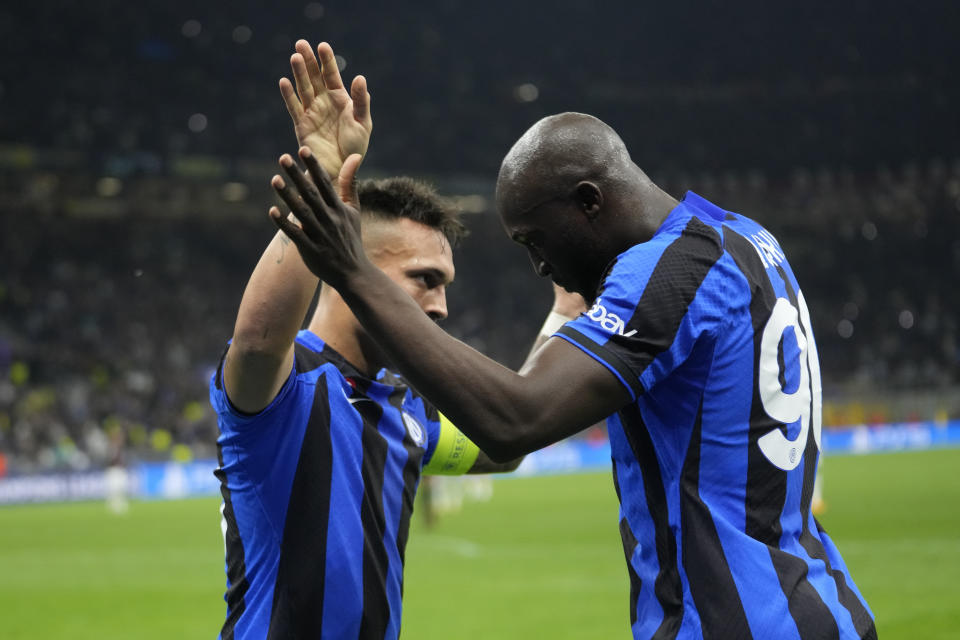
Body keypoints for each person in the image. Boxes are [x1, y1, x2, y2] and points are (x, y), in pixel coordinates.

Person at [270, 110, 877, 638]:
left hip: (731, 621)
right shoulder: (744, 238)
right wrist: (563, 320)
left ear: (589, 201)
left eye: (534, 239)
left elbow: (515, 419)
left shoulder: (668, 271)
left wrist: (354, 270)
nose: (539, 265)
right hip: (821, 601)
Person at [211, 41, 576, 639]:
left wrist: (561, 314)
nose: (441, 305)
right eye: (423, 281)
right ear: (350, 264)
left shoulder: (405, 405)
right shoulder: (287, 388)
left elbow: (503, 444)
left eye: (445, 283)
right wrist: (325, 178)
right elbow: (253, 343)